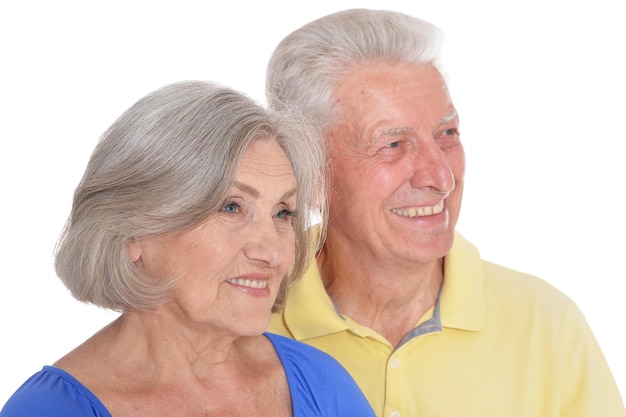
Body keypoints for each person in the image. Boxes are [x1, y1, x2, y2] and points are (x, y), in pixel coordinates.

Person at [265, 8, 625, 417]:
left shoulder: (547, 325)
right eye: (393, 144)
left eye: (446, 134)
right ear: (308, 172)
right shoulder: (245, 322)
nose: (441, 176)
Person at [0, 81, 375, 417]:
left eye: (283, 213)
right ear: (134, 231)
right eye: (231, 207)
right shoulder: (49, 409)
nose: (274, 254)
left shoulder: (319, 380)